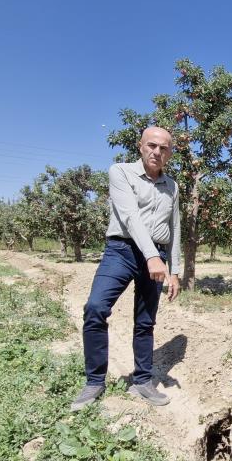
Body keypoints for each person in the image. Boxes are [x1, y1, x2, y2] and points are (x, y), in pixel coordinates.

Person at [70, 126, 181, 411]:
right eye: (152, 145)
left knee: (145, 322)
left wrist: (175, 269)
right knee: (95, 308)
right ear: (140, 146)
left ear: (170, 152)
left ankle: (142, 381)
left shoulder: (172, 186)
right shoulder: (120, 172)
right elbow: (130, 217)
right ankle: (94, 381)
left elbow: (174, 227)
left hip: (156, 253)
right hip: (121, 251)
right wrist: (151, 258)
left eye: (164, 148)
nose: (157, 151)